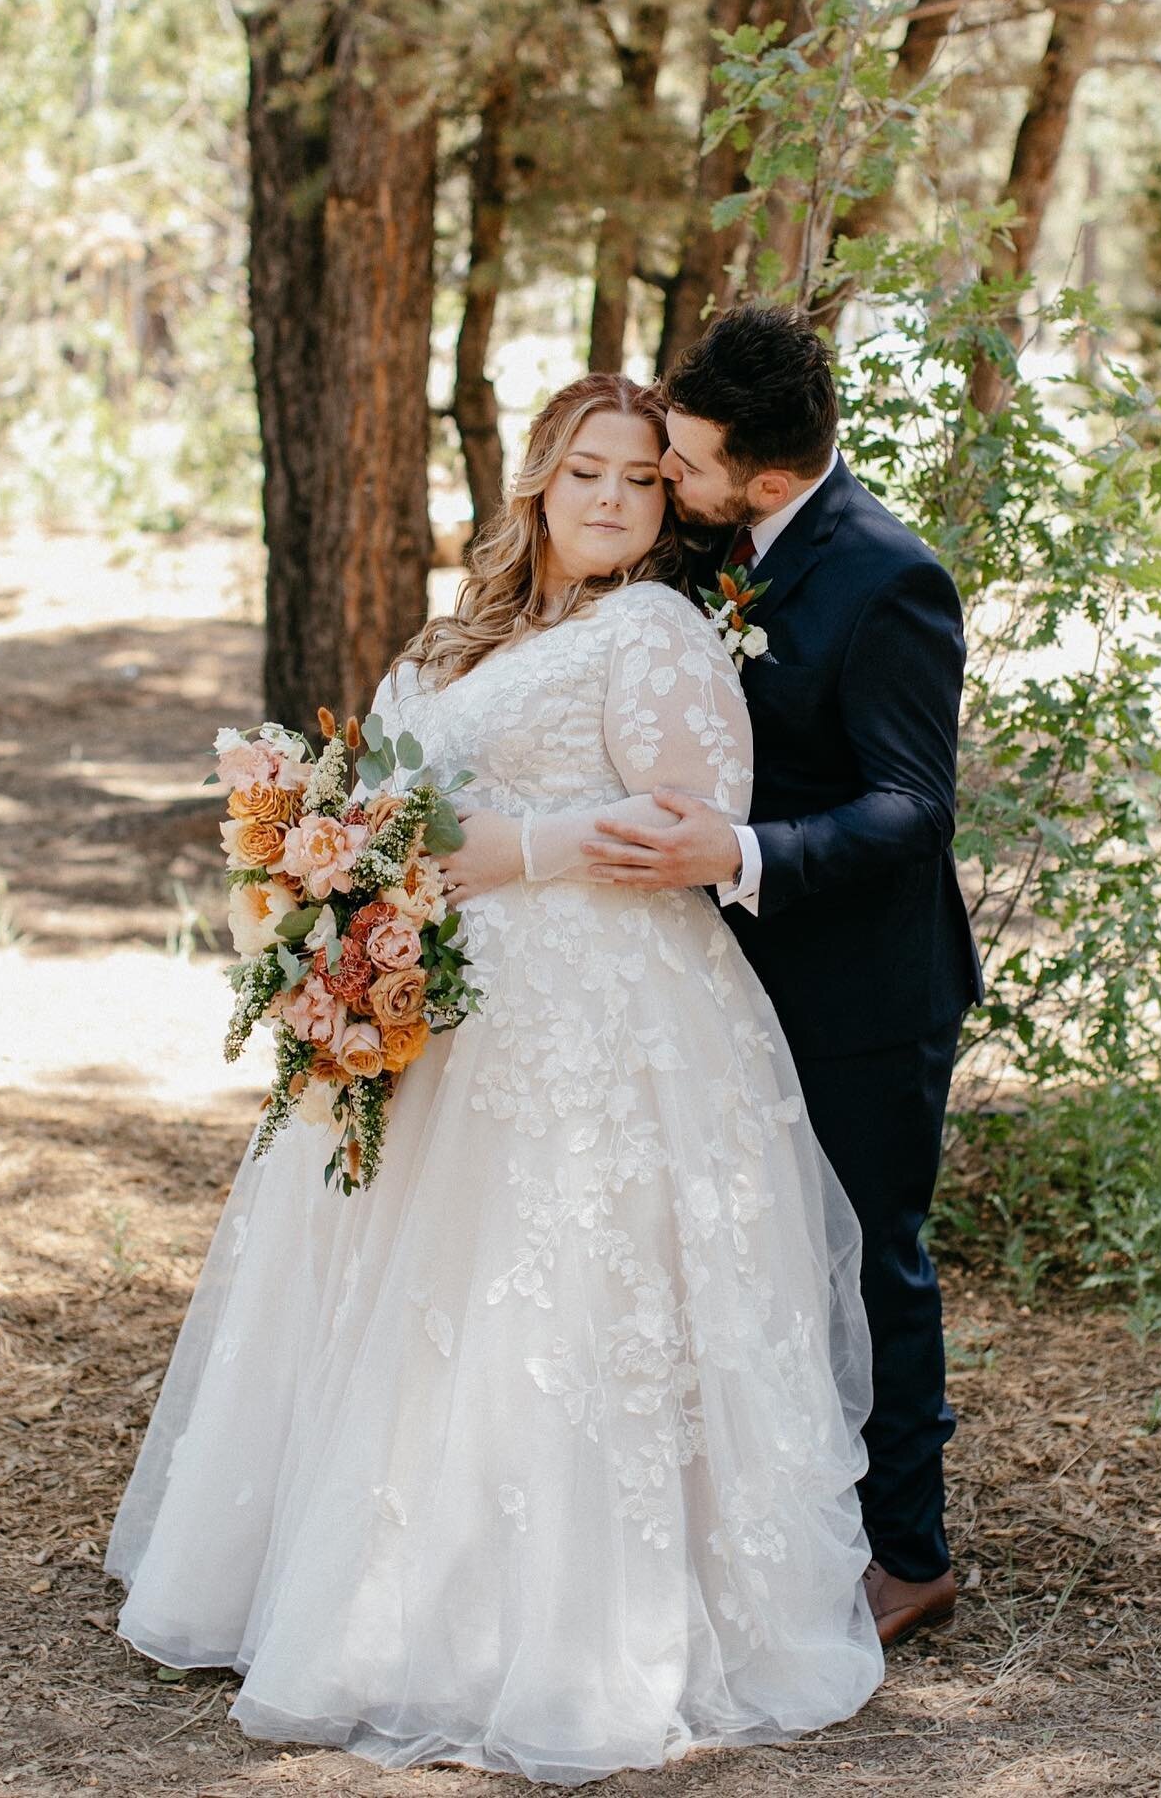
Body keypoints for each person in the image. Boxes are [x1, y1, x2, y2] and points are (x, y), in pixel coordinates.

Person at [104, 372, 885, 1786]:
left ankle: (559, 1633)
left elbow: (699, 822)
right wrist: (333, 902)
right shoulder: (457, 637)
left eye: (642, 479)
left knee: (559, 1302)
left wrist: (513, 855)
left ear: (667, 506)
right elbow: (389, 803)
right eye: (586, 469)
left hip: (598, 1012)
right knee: (407, 1297)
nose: (608, 497)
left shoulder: (657, 632)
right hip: (438, 1011)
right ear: (539, 478)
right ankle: (357, 1589)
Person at [563, 307, 986, 1647]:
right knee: (737, 1259)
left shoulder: (889, 580)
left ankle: (908, 1556)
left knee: (871, 1260)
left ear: (775, 478)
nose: (666, 484)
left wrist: (738, 847)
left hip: (864, 988)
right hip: (709, 984)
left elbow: (913, 809)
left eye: (684, 466)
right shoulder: (707, 539)